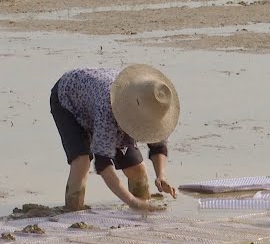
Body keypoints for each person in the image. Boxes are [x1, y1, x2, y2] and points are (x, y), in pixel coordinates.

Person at [50, 64, 180, 212]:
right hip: (68, 101)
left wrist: (161, 176)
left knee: (137, 170)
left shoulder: (154, 106)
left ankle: (143, 214)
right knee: (82, 162)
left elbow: (158, 146)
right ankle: (72, 212)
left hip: (97, 99)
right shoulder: (109, 109)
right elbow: (103, 164)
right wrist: (132, 201)